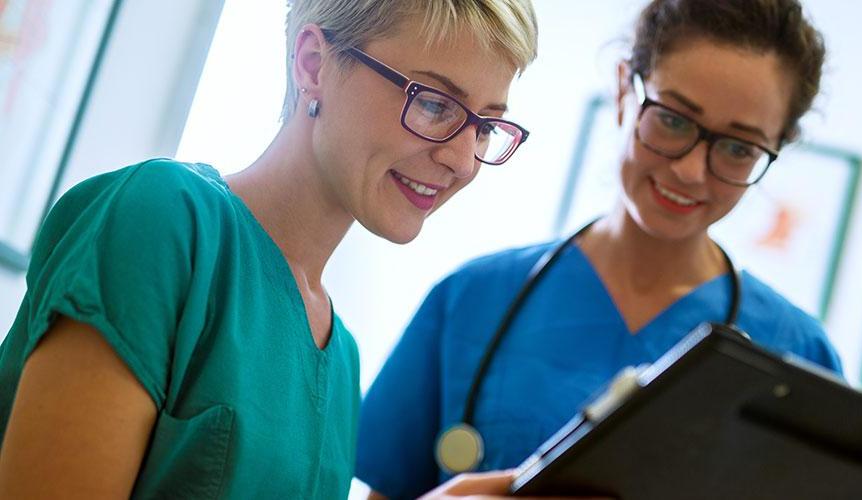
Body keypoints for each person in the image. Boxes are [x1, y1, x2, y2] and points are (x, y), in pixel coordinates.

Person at [0, 0, 553, 498]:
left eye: (485, 127)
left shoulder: (341, 359)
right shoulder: (164, 220)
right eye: (434, 104)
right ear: (313, 63)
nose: (462, 161)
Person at [356, 0, 845, 497]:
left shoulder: (797, 355)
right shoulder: (473, 299)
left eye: (738, 148)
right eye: (673, 120)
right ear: (621, 91)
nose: (691, 171)